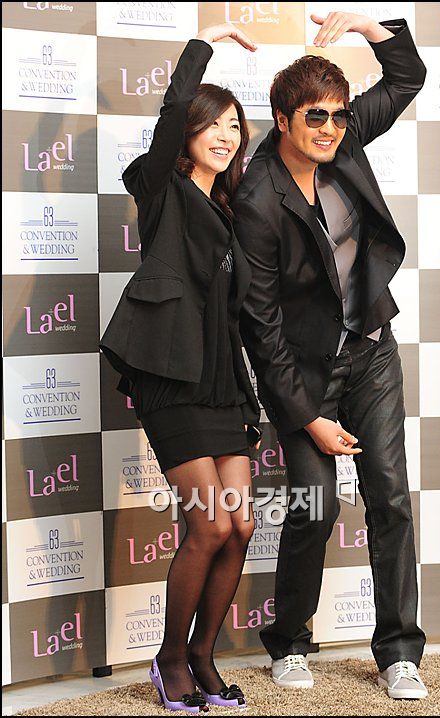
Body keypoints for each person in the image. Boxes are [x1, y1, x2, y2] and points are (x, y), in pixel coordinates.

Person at [232, 11, 428, 701]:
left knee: (391, 497)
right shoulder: (256, 198)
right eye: (315, 116)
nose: (330, 128)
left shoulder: (343, 140)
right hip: (302, 369)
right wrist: (308, 416)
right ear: (283, 119)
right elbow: (260, 326)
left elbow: (406, 78)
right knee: (314, 506)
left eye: (339, 115)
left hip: (369, 347)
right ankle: (289, 641)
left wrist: (372, 28)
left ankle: (399, 652)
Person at [99, 24, 263, 714]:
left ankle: (202, 655)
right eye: (213, 124)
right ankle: (169, 659)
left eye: (234, 126)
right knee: (210, 526)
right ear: (190, 130)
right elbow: (168, 120)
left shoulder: (229, 210)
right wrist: (202, 45)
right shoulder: (160, 189)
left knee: (241, 526)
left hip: (223, 383)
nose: (225, 136)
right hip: (171, 377)